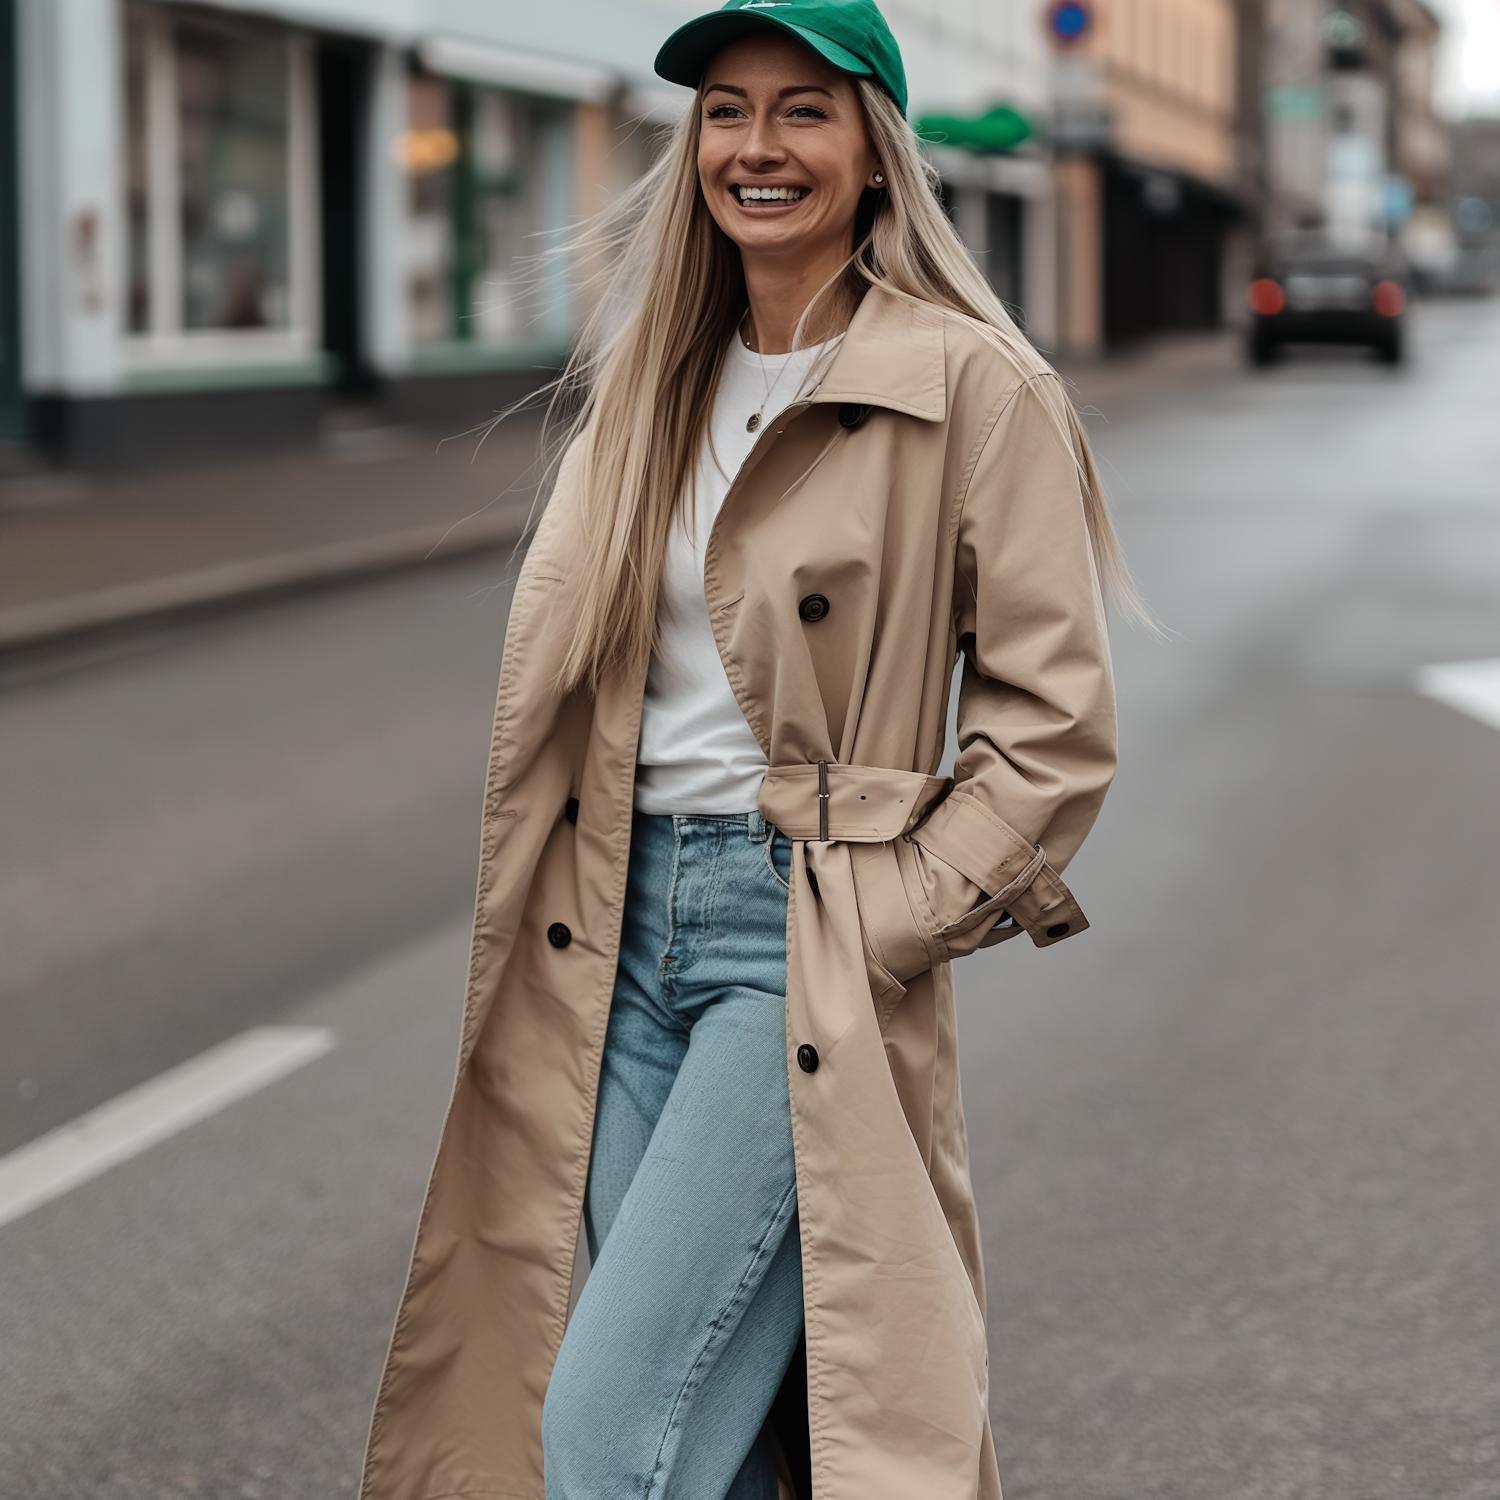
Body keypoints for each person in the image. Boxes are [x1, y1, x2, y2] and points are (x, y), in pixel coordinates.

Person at [360, 3, 1126, 1497]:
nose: (756, 147)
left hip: (798, 937)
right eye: (725, 110)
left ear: (877, 151)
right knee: (726, 1435)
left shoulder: (975, 386)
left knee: (605, 1430)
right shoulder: (650, 381)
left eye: (802, 111)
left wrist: (879, 923)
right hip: (612, 925)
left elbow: (1053, 733)